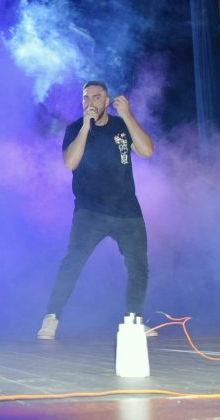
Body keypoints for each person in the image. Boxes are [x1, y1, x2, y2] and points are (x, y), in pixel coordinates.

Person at [37, 80, 155, 340]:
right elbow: (70, 162)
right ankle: (51, 317)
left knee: (139, 266)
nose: (90, 102)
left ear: (107, 101)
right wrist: (85, 127)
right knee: (73, 262)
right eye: (86, 98)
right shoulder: (75, 128)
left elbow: (147, 150)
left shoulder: (121, 125)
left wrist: (127, 115)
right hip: (90, 210)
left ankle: (134, 320)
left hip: (126, 210)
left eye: (96, 97)